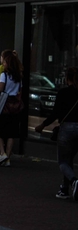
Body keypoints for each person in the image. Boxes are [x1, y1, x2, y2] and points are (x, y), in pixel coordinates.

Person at [35, 67, 78, 200]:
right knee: (70, 159)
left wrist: (43, 125)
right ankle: (64, 189)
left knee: (63, 161)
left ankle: (74, 181)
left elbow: (55, 113)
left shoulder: (63, 93)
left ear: (67, 78)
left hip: (67, 129)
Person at [0, 51, 22, 167]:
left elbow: (0, 89)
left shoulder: (4, 75)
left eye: (4, 61)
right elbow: (20, 90)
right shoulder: (19, 76)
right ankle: (8, 158)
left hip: (4, 103)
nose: (3, 63)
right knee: (11, 132)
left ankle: (3, 152)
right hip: (15, 104)